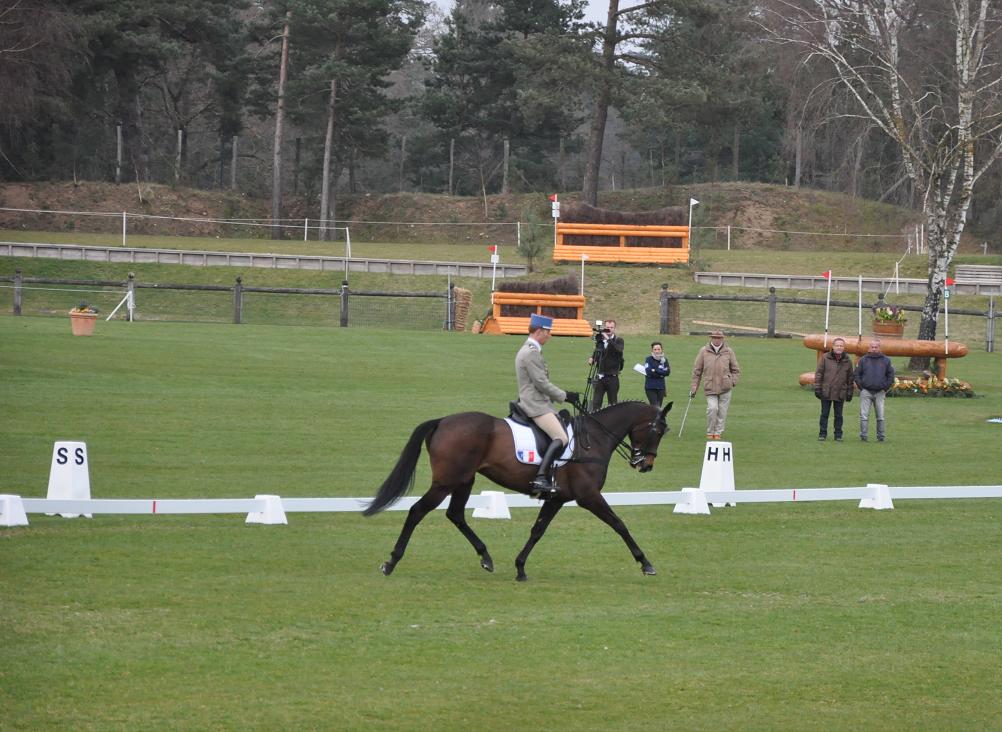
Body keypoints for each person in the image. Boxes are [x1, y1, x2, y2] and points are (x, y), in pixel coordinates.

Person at [516, 313, 580, 496]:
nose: (550, 335)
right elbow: (541, 383)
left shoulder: (531, 350)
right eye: (548, 332)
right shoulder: (530, 353)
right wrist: (565, 395)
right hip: (535, 405)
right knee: (562, 437)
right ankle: (540, 477)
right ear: (538, 332)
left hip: (539, 402)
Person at [689, 330, 741, 440]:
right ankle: (710, 431)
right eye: (715, 338)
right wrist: (694, 386)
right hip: (710, 386)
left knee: (722, 411)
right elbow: (697, 371)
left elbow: (735, 369)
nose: (717, 340)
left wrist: (732, 382)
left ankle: (718, 432)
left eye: (719, 338)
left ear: (723, 339)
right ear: (711, 338)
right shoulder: (704, 351)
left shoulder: (728, 351)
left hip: (725, 387)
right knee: (712, 408)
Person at [854, 338, 895, 442]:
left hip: (880, 392)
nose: (874, 349)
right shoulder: (863, 360)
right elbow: (857, 374)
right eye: (872, 347)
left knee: (880, 416)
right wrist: (861, 387)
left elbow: (890, 375)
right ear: (869, 348)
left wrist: (885, 388)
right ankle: (863, 436)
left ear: (879, 348)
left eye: (876, 347)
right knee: (864, 416)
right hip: (866, 391)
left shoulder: (886, 360)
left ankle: (881, 437)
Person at [814, 337, 854, 441]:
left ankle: (838, 435)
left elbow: (850, 378)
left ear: (844, 347)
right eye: (837, 345)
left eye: (841, 345)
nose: (839, 347)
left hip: (840, 392)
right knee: (824, 414)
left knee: (839, 415)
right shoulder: (825, 358)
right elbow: (819, 374)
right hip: (826, 391)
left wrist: (850, 392)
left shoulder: (848, 360)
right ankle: (822, 434)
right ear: (833, 346)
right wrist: (818, 388)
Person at [587, 318, 624, 411]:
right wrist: (593, 358)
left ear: (614, 328)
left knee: (612, 405)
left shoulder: (619, 340)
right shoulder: (600, 341)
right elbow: (598, 351)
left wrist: (608, 340)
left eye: (611, 327)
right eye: (607, 327)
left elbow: (618, 350)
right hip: (600, 376)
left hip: (612, 377)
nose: (609, 329)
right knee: (596, 403)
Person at [644, 341, 671, 407]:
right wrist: (661, 373)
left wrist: (655, 370)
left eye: (658, 349)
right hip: (650, 387)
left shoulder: (664, 360)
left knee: (659, 407)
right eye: (655, 349)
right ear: (652, 350)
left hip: (661, 387)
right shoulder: (648, 359)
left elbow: (667, 372)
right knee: (655, 406)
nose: (657, 351)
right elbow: (649, 372)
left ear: (661, 350)